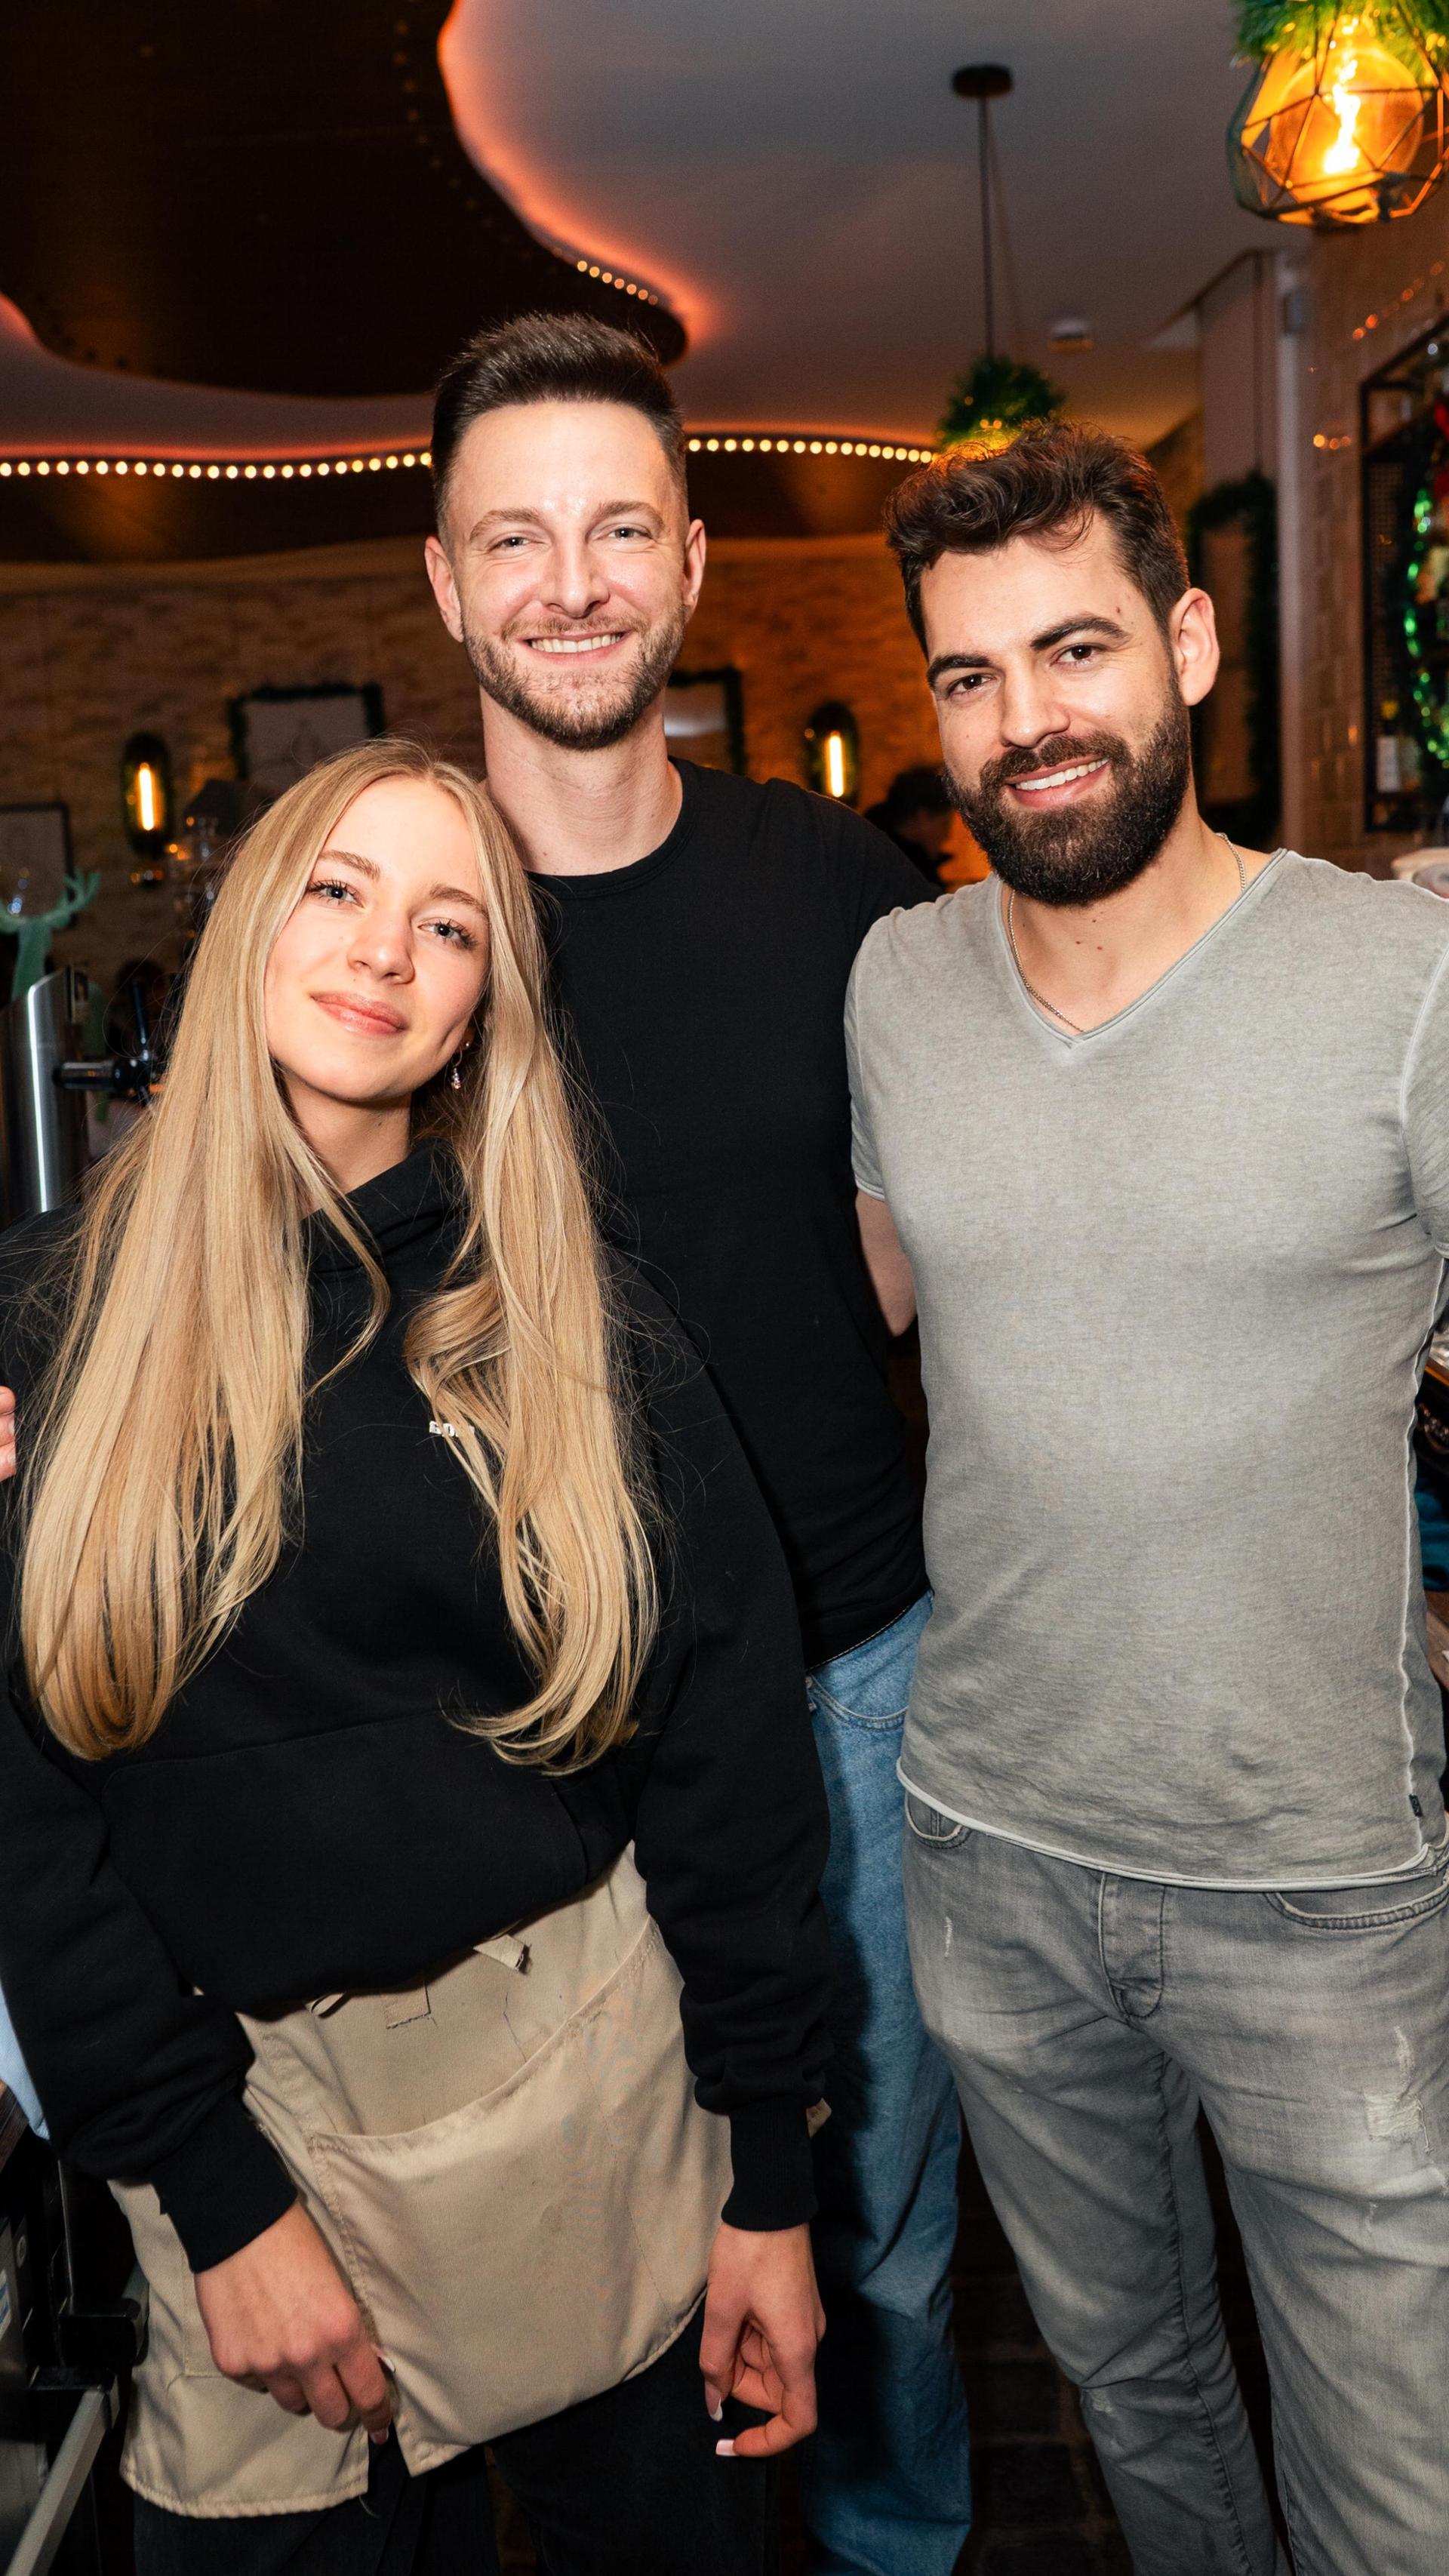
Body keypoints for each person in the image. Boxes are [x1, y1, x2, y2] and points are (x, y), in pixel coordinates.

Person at [0, 737, 832, 2575]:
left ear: (478, 1010)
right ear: (244, 926)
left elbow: (727, 1762)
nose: (385, 948)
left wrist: (767, 2180)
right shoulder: (46, 1329)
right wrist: (216, 2201)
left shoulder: (573, 1315)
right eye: (338, 889)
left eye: (448, 923)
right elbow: (29, 1825)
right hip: (255, 2139)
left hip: (602, 2102)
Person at [847, 420, 1449, 2574]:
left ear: (1188, 645)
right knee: (1143, 2410)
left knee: (1400, 2487)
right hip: (995, 1851)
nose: (1030, 720)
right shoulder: (900, 985)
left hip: (1323, 1880)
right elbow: (864, 1299)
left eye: (1077, 648)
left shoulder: (1400, 982)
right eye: (973, 675)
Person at [420, 312, 971, 2576]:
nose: (571, 581)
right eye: (516, 537)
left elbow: (921, 1248)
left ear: (692, 564)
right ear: (445, 583)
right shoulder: (381, 907)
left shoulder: (837, 888)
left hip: (852, 1690)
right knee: (570, 2288)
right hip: (509, 1729)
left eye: (617, 529)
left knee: (878, 2250)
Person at [863, 765, 955, 887]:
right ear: (923, 817)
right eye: (944, 824)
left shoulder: (868, 843)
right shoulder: (908, 875)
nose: (947, 835)